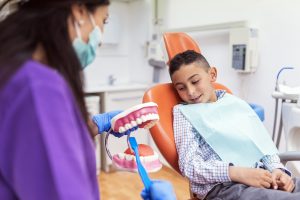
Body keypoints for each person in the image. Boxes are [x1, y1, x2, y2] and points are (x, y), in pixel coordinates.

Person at [0, 0, 175, 199]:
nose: (100, 39)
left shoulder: (11, 71)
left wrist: (99, 124)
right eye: (104, 21)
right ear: (80, 11)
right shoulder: (38, 88)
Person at [169, 50, 300, 200]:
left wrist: (278, 170)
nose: (190, 92)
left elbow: (262, 145)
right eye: (181, 88)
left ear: (212, 75)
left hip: (262, 176)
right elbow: (190, 166)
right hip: (225, 187)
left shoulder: (233, 102)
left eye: (195, 81)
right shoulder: (184, 113)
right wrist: (239, 173)